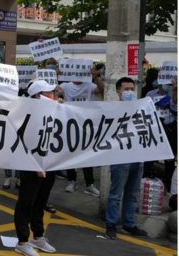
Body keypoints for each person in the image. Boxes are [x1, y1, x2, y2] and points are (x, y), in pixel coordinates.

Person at [13, 80, 58, 256]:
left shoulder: (54, 111)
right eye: (49, 93)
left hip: (50, 164)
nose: (53, 95)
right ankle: (22, 241)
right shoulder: (27, 114)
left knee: (40, 202)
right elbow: (23, 143)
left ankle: (38, 236)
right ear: (38, 96)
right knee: (26, 203)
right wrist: (35, 164)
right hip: (31, 166)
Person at [104, 77, 148, 240]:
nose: (129, 92)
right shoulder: (111, 110)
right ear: (118, 92)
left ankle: (129, 223)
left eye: (132, 89)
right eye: (126, 89)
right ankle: (111, 224)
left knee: (133, 193)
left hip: (138, 155)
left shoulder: (142, 108)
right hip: (120, 157)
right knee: (116, 194)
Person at [58, 65, 104, 197]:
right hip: (70, 124)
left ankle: (89, 185)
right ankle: (71, 181)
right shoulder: (66, 85)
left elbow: (103, 90)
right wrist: (55, 76)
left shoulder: (89, 85)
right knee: (71, 153)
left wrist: (96, 77)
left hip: (86, 125)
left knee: (86, 155)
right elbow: (55, 92)